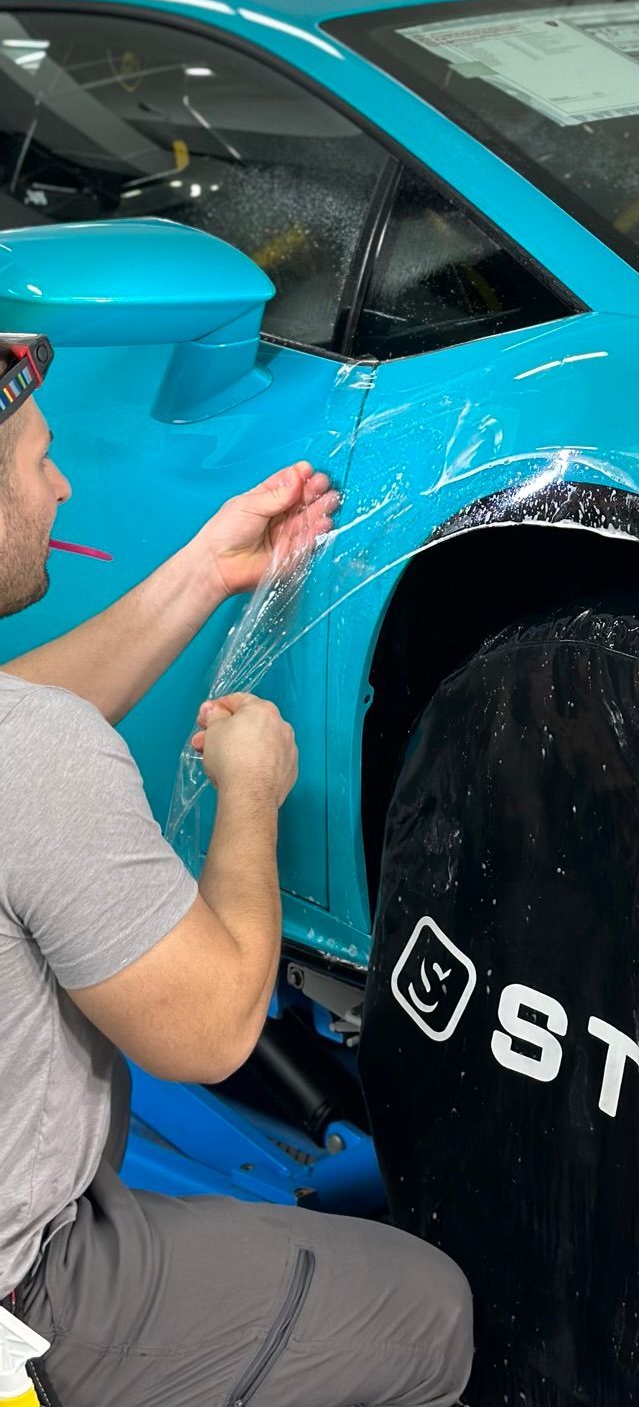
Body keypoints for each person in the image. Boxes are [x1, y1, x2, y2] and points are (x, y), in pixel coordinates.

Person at [0, 336, 473, 1407]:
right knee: (427, 1309)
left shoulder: (19, 736)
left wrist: (207, 568)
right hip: (21, 1288)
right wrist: (249, 800)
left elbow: (22, 719)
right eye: (35, 458)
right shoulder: (29, 751)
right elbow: (211, 1032)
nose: (62, 483)